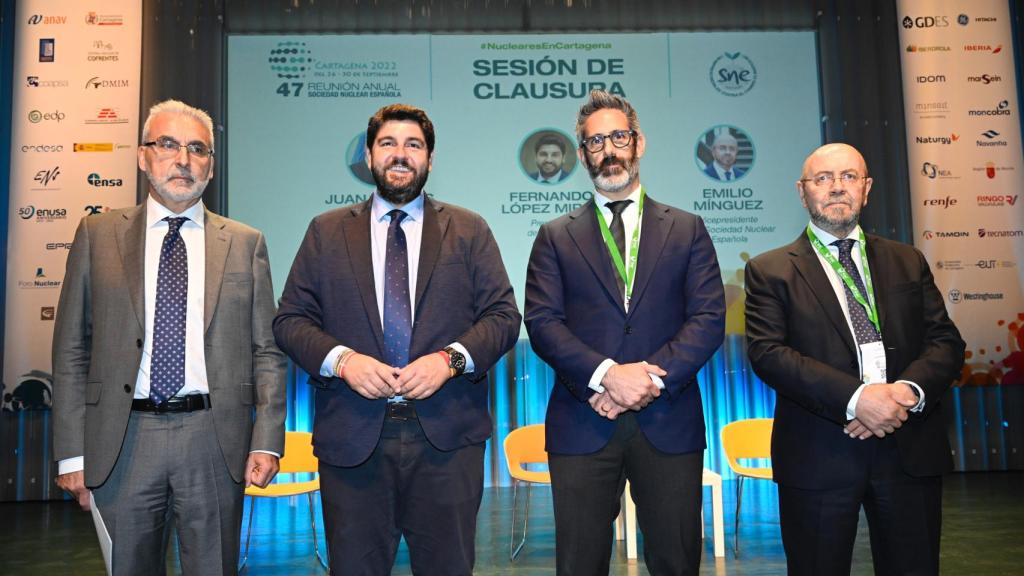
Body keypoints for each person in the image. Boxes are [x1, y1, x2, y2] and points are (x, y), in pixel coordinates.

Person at [273, 103, 520, 575]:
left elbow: (504, 316)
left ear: (430, 159)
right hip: (353, 440)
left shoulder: (468, 230)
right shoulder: (325, 233)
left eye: (414, 145)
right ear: (368, 156)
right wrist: (343, 361)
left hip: (447, 441)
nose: (400, 154)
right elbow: (290, 321)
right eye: (388, 144)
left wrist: (450, 360)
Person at [52, 99, 287, 575]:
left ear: (211, 165)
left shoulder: (245, 243)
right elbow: (72, 349)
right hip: (122, 441)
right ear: (143, 156)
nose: (183, 159)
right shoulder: (97, 235)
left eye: (197, 148)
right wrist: (71, 453)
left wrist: (266, 441)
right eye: (168, 144)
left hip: (214, 441)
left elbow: (268, 352)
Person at [524, 90, 726, 575]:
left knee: (676, 562)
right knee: (579, 564)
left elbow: (708, 319)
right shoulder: (555, 235)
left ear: (639, 143)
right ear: (582, 154)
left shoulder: (687, 228)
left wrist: (648, 381)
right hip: (582, 421)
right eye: (595, 142)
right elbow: (543, 323)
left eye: (618, 136)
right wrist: (607, 376)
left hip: (669, 421)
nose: (608, 150)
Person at [744, 143, 965, 576]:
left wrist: (901, 395)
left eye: (848, 177)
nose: (836, 188)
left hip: (908, 449)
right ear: (802, 192)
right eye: (822, 179)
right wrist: (859, 399)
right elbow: (769, 354)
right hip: (819, 452)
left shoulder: (908, 260)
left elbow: (945, 342)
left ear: (866, 189)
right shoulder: (770, 271)